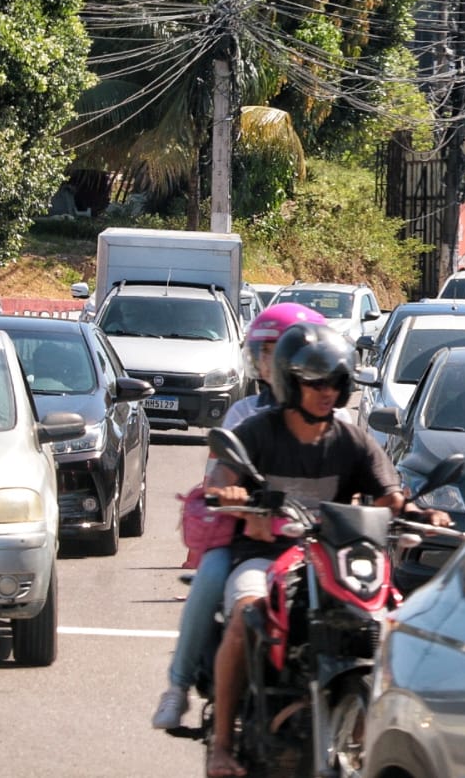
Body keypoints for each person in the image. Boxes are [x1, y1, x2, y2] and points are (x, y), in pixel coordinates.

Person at [204, 323, 450, 778]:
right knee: (245, 616)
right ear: (289, 382)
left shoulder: (351, 438)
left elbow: (389, 494)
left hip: (334, 558)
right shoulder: (259, 432)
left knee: (388, 623)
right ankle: (222, 745)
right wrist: (233, 498)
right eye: (315, 382)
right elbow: (218, 482)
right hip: (265, 554)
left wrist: (420, 512)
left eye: (335, 383)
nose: (326, 392)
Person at [150, 301, 327, 730]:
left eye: (279, 352)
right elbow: (215, 480)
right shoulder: (244, 414)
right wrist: (236, 500)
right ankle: (176, 687)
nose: (271, 364)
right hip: (248, 535)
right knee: (210, 579)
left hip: (318, 540)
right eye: (264, 353)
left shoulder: (331, 416)